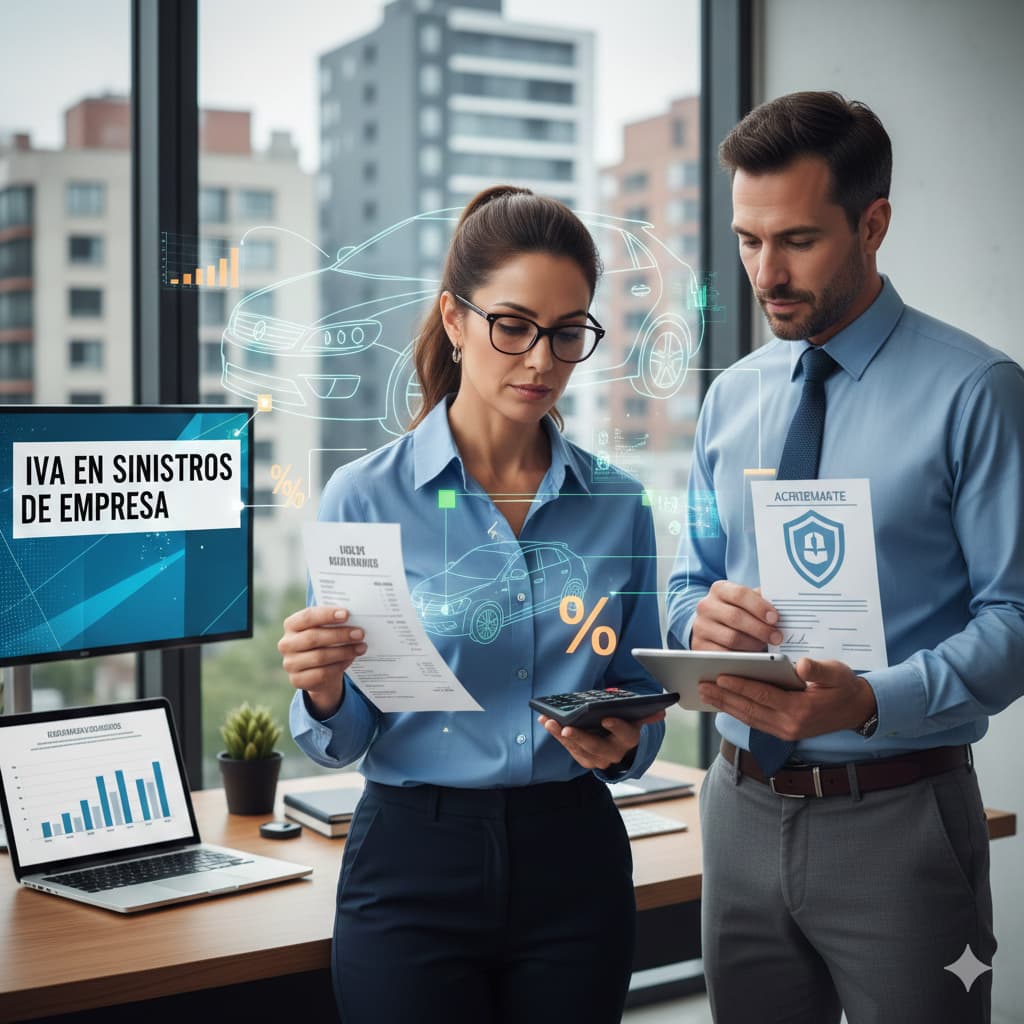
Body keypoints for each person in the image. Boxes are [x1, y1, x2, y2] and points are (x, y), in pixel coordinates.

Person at [666, 91, 1024, 1023]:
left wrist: (871, 700)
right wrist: (695, 617)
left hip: (900, 817)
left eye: (796, 241)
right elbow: (683, 580)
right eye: (748, 241)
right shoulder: (731, 399)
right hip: (736, 809)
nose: (765, 272)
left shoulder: (977, 393)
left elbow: (1018, 620)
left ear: (874, 224)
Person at [279, 185, 668, 1024]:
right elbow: (341, 740)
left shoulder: (619, 504)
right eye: (514, 325)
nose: (541, 361)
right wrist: (321, 690)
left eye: (568, 333)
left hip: (575, 860)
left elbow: (641, 700)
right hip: (413, 860)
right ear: (455, 320)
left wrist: (625, 736)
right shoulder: (363, 497)